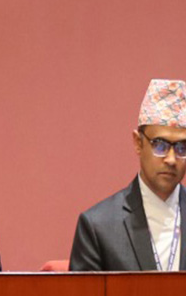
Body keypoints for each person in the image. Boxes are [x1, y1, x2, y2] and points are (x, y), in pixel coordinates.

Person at [70, 78, 186, 272]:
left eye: (182, 147)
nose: (172, 159)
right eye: (160, 145)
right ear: (138, 143)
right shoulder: (98, 227)